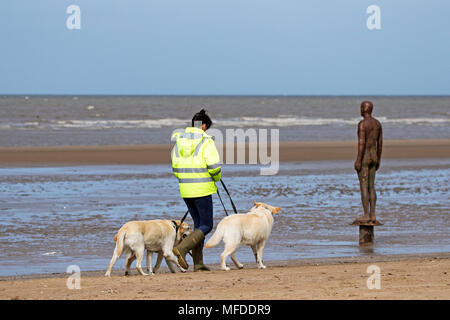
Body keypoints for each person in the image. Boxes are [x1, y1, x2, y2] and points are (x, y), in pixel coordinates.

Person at [171, 109, 221, 271]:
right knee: (207, 225)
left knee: (199, 225)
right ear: (204, 126)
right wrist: (216, 177)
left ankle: (198, 264)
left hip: (185, 189)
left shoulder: (180, 140)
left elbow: (175, 166)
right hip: (202, 188)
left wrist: (184, 180)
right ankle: (182, 248)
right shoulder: (206, 141)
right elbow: (214, 166)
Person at [354, 101, 383, 223]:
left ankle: (366, 214)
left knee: (364, 186)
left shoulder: (362, 124)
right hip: (374, 156)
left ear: (364, 109)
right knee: (372, 186)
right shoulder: (377, 124)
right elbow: (380, 143)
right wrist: (378, 159)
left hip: (365, 156)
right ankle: (373, 214)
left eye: (361, 107)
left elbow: (361, 144)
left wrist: (358, 160)